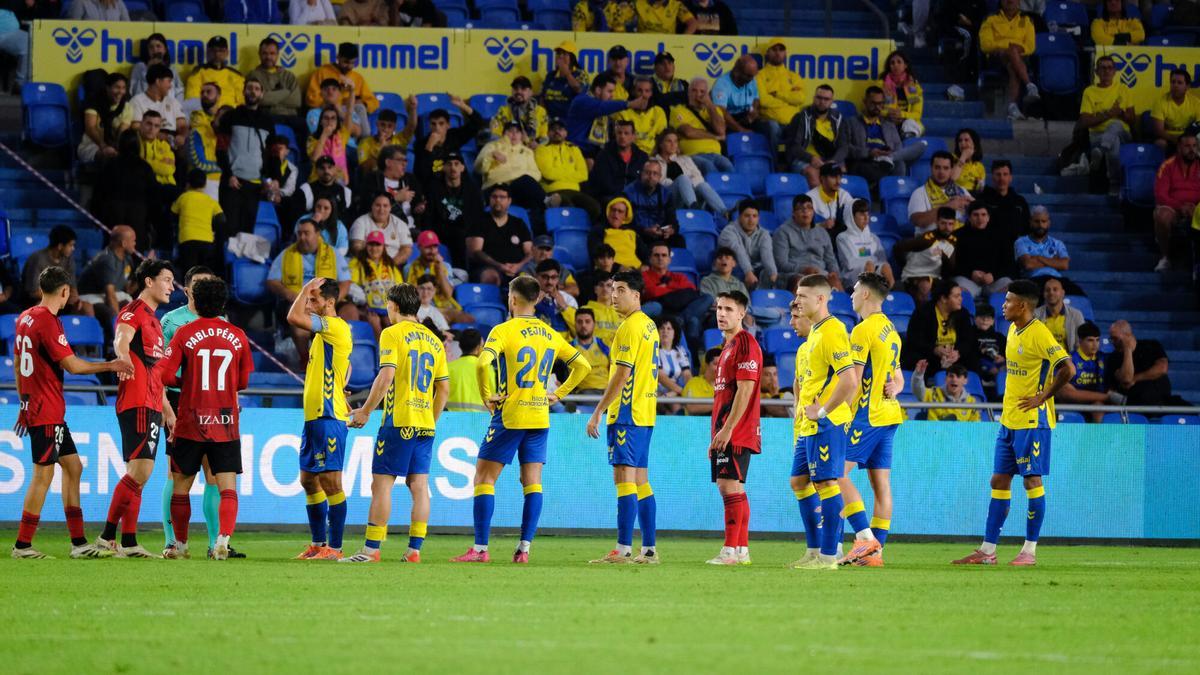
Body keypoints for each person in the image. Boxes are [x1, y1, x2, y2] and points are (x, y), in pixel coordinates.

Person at [452, 277, 591, 564]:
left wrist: (487, 395)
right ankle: (524, 549)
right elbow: (583, 365)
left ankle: (480, 549)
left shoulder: (503, 330)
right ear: (538, 299)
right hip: (539, 414)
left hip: (511, 413)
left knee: (484, 478)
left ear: (512, 300)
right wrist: (558, 394)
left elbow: (482, 362)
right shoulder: (549, 333)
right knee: (533, 483)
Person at [11, 266, 133, 559]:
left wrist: (24, 401)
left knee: (73, 467)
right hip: (47, 410)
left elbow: (18, 364)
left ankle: (78, 543)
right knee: (43, 474)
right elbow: (74, 366)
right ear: (64, 291)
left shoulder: (25, 317)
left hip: (39, 406)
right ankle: (23, 545)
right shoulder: (48, 322)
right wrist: (111, 365)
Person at [953, 280, 1073, 566]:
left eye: (1007, 301)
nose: (1002, 306)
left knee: (1032, 481)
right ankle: (987, 551)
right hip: (1009, 420)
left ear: (1022, 305)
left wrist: (1042, 396)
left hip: (1033, 421)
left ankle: (1028, 552)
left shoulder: (1040, 334)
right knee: (999, 479)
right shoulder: (1011, 330)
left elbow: (1068, 368)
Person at [342, 284, 449, 563]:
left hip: (399, 420)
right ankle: (414, 550)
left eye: (388, 305)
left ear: (394, 306)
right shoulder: (434, 340)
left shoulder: (392, 333)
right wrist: (430, 420)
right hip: (425, 424)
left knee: (382, 485)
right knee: (419, 486)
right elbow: (444, 390)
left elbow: (386, 376)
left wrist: (365, 410)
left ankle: (371, 550)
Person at [158, 277, 255, 561]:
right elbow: (243, 381)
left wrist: (186, 381)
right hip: (224, 422)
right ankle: (222, 540)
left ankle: (181, 545)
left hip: (190, 420)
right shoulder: (237, 335)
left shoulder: (185, 333)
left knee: (180, 486)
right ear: (223, 303)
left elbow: (164, 375)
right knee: (226, 486)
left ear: (195, 303)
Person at [583, 239, 662, 568]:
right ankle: (649, 550)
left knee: (624, 479)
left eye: (620, 290)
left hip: (627, 413)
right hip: (646, 414)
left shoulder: (629, 328)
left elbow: (621, 374)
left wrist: (598, 411)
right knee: (641, 480)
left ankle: (622, 548)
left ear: (636, 294)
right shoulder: (649, 325)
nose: (613, 295)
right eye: (612, 289)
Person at [93, 260, 174, 558]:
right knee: (141, 470)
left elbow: (156, 372)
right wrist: (123, 359)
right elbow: (121, 339)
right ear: (149, 282)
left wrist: (167, 411)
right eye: (166, 280)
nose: (171, 286)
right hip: (136, 400)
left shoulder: (155, 320)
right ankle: (106, 537)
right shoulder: (133, 311)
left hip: (152, 402)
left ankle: (128, 542)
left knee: (139, 473)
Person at [788, 275, 859, 570]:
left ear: (821, 299)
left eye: (803, 296)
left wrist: (824, 411)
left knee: (827, 482)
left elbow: (850, 381)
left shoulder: (832, 330)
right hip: (809, 425)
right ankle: (815, 550)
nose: (797, 301)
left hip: (827, 423)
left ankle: (829, 556)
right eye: (796, 295)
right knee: (799, 481)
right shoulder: (814, 334)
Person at [837, 272, 904, 567]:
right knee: (881, 484)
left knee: (834, 472)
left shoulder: (863, 331)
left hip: (868, 415)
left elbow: (854, 379)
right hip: (890, 413)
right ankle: (876, 554)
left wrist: (842, 415)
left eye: (854, 290)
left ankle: (865, 540)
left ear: (865, 294)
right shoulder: (891, 330)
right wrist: (895, 388)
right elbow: (898, 378)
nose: (850, 295)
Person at [283, 278, 352, 560]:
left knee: (331, 482)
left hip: (329, 415)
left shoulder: (334, 326)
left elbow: (292, 316)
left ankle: (334, 548)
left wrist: (303, 289)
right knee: (308, 480)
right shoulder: (324, 336)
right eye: (309, 300)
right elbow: (344, 370)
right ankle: (318, 543)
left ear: (330, 303)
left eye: (314, 300)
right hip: (314, 418)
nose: (309, 306)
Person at [704, 291, 762, 566]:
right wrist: (716, 434)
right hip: (726, 429)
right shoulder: (727, 347)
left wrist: (727, 430)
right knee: (734, 488)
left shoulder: (745, 344)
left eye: (728, 308)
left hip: (737, 430)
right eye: (719, 307)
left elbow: (746, 390)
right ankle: (741, 550)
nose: (722, 313)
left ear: (742, 314)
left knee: (729, 488)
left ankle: (729, 550)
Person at [266, 219, 352, 364]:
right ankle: (306, 359)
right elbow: (271, 280)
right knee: (299, 322)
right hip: (301, 302)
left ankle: (343, 358)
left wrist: (332, 302)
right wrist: (288, 294)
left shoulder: (333, 253)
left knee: (351, 312)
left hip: (328, 302)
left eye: (306, 233)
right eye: (299, 234)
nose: (302, 237)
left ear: (317, 234)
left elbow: (346, 282)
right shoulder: (287, 254)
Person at [218, 78, 273, 235]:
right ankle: (227, 260)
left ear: (261, 94)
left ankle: (241, 261)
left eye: (257, 88)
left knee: (248, 231)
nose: (253, 91)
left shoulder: (268, 121)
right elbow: (220, 150)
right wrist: (229, 175)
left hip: (255, 185)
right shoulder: (230, 117)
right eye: (249, 88)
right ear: (243, 92)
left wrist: (269, 178)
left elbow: (272, 153)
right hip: (233, 183)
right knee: (229, 229)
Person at [845, 86, 925, 186]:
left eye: (880, 104)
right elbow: (846, 148)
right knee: (897, 165)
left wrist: (890, 154)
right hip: (866, 160)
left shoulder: (888, 124)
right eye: (873, 103)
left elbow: (898, 145)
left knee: (921, 146)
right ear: (865, 102)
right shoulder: (851, 122)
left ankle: (889, 159)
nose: (877, 107)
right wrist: (870, 153)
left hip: (888, 159)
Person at [1080, 56, 1135, 196]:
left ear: (1115, 71)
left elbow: (1132, 119)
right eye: (1102, 68)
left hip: (1123, 134)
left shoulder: (1123, 89)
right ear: (1096, 71)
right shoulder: (1089, 92)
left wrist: (1120, 113)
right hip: (1097, 136)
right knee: (1113, 141)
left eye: (1110, 67)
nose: (1106, 71)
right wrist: (1109, 114)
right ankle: (1114, 185)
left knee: (1115, 125)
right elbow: (1085, 121)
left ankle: (1101, 150)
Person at [641, 243, 712, 351]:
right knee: (693, 320)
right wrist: (677, 289)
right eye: (656, 255)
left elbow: (691, 289)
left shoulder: (678, 276)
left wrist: (666, 286)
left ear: (669, 259)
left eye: (664, 255)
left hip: (681, 310)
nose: (660, 258)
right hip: (662, 312)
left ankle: (681, 321)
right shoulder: (645, 275)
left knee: (708, 298)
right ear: (650, 259)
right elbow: (652, 292)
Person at [979, 0, 1040, 121]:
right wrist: (1004, 48)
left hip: (1019, 56)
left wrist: (1016, 49)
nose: (1010, 1)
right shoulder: (991, 19)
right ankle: (1030, 85)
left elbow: (1030, 45)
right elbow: (985, 44)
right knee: (1012, 52)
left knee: (1012, 63)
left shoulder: (1026, 20)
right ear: (1001, 2)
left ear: (1019, 2)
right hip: (996, 57)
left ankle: (1012, 107)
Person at [901, 278, 976, 375]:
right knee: (916, 359)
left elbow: (969, 340)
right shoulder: (923, 312)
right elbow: (914, 340)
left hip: (954, 357)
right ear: (944, 298)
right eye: (956, 296)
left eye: (960, 295)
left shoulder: (963, 313)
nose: (961, 299)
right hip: (930, 356)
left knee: (973, 358)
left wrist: (958, 353)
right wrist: (934, 349)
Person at [422, 151, 484, 267]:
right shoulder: (434, 188)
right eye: (449, 164)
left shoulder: (472, 190)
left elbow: (478, 217)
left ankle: (461, 272)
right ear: (444, 168)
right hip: (440, 231)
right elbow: (428, 216)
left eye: (456, 164)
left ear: (463, 168)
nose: (453, 167)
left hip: (464, 233)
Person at [537, 119, 602, 223]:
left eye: (560, 129)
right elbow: (548, 174)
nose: (557, 132)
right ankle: (568, 235)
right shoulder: (542, 149)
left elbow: (583, 174)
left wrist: (559, 173)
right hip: (554, 191)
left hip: (575, 191)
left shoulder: (574, 148)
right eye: (553, 129)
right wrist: (571, 173)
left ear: (566, 133)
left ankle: (585, 235)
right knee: (568, 206)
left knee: (595, 208)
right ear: (548, 133)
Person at [466, 185, 533, 285]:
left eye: (502, 197)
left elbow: (530, 252)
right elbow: (476, 251)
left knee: (528, 280)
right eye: (494, 197)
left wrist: (518, 266)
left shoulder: (519, 223)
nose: (497, 200)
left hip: (517, 269)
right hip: (488, 267)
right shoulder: (479, 222)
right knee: (490, 277)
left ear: (509, 200)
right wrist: (499, 266)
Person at [784, 84, 849, 187]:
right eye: (819, 98)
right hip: (805, 159)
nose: (822, 102)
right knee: (813, 175)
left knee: (840, 175)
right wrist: (811, 158)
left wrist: (833, 161)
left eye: (826, 99)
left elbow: (844, 146)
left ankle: (836, 203)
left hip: (830, 158)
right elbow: (794, 147)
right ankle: (820, 203)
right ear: (814, 98)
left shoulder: (838, 119)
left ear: (831, 101)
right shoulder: (801, 117)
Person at [476, 121, 546, 216]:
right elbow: (478, 168)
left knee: (527, 185)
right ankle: (547, 200)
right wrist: (491, 156)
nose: (514, 134)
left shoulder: (527, 152)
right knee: (525, 181)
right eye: (510, 131)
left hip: (519, 189)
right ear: (503, 133)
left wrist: (518, 176)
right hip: (495, 187)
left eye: (517, 132)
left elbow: (537, 174)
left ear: (521, 135)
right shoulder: (492, 146)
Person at [1153, 132, 1200, 272]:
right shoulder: (1167, 165)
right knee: (1162, 215)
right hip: (1174, 208)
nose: (1192, 150)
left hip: (1197, 209)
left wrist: (1196, 208)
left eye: (1194, 146)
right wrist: (1181, 206)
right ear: (1179, 148)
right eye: (1187, 146)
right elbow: (1160, 194)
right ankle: (1165, 258)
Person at [78, 224, 137, 336]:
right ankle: (115, 344)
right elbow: (110, 296)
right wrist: (121, 326)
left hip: (107, 296)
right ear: (123, 243)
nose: (135, 244)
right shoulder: (107, 260)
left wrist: (146, 273)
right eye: (133, 240)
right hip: (91, 297)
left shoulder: (127, 259)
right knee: (109, 314)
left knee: (131, 308)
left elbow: (128, 290)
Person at [774, 194, 841, 291]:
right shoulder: (782, 232)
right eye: (801, 208)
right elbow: (781, 264)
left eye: (809, 208)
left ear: (813, 212)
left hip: (820, 273)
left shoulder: (822, 232)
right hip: (794, 274)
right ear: (793, 213)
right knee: (801, 282)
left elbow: (830, 260)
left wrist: (834, 272)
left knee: (835, 282)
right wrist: (803, 269)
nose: (805, 211)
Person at [713, 55, 778, 155]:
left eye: (753, 76)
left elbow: (756, 98)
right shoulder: (722, 83)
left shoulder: (751, 80)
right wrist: (741, 130)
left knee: (772, 126)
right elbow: (722, 112)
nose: (751, 79)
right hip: (729, 120)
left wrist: (754, 110)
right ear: (737, 71)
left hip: (747, 116)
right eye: (748, 76)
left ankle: (773, 162)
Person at [20, 225, 92, 316]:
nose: (73, 248)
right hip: (37, 301)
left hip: (61, 299)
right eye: (71, 245)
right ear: (60, 246)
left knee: (87, 308)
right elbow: (33, 292)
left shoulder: (69, 259)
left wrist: (75, 298)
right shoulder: (37, 259)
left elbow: (72, 286)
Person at [651, 128, 725, 214]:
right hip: (669, 199)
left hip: (691, 194)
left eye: (675, 141)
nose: (673, 144)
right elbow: (658, 183)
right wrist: (679, 183)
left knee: (703, 185)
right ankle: (694, 208)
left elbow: (698, 178)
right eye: (669, 141)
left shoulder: (685, 159)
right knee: (682, 179)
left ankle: (725, 212)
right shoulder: (653, 162)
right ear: (661, 144)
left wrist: (687, 186)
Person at [567, 73, 645, 153]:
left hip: (595, 150)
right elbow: (602, 107)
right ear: (598, 90)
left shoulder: (600, 101)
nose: (612, 96)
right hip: (578, 150)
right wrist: (628, 104)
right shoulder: (583, 101)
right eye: (609, 91)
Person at [671, 77, 734, 175]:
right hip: (693, 155)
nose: (698, 95)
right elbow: (688, 132)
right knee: (708, 166)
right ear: (688, 93)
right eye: (694, 91)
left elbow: (721, 131)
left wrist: (709, 105)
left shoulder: (714, 110)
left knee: (728, 166)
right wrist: (714, 136)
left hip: (715, 154)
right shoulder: (678, 110)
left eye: (702, 92)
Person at [1014, 206, 1082, 295]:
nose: (1040, 225)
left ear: (1048, 223)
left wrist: (1039, 258)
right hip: (1034, 280)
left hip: (1057, 280)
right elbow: (1028, 264)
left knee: (1079, 294)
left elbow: (1064, 265)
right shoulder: (1021, 242)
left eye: (1043, 221)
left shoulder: (1058, 243)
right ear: (1030, 222)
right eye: (1037, 221)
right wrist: (1054, 261)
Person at [897, 207, 958, 302]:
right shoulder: (927, 239)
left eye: (950, 224)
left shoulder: (953, 240)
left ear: (954, 224)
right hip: (914, 275)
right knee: (925, 286)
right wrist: (903, 265)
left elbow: (951, 266)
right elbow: (898, 247)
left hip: (935, 276)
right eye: (943, 223)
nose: (947, 227)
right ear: (937, 222)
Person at [1106, 320, 1172, 407]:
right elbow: (1126, 379)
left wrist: (1136, 378)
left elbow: (1162, 368)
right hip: (1135, 403)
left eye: (1115, 339)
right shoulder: (1113, 358)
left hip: (1163, 400)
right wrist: (1127, 350)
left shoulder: (1152, 346)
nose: (1113, 343)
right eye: (1111, 339)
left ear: (1128, 336)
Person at [414, 97, 484, 182]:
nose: (437, 128)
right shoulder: (422, 144)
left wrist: (463, 106)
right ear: (429, 126)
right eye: (433, 124)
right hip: (436, 185)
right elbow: (421, 174)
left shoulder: (454, 136)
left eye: (441, 124)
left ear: (448, 125)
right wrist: (429, 147)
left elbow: (478, 123)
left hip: (459, 182)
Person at [953, 201, 1012, 299]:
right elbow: (953, 265)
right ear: (969, 217)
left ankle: (1000, 314)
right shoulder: (957, 236)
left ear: (988, 217)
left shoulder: (1001, 236)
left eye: (983, 215)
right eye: (975, 215)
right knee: (956, 289)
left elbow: (1009, 263)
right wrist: (970, 273)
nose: (980, 218)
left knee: (1013, 289)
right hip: (968, 280)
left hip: (994, 281)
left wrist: (993, 275)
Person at [349, 231, 404, 333]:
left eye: (378, 244)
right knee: (376, 324)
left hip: (390, 308)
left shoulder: (390, 264)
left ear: (384, 246)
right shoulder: (356, 263)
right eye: (371, 244)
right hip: (368, 307)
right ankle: (380, 348)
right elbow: (351, 286)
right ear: (366, 245)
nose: (374, 248)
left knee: (391, 323)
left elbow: (400, 287)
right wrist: (363, 303)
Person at [172, 169, 226, 274]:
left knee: (189, 276)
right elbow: (222, 220)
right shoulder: (210, 200)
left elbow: (173, 214)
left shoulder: (183, 198)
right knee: (204, 276)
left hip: (187, 239)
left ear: (187, 183)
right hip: (207, 241)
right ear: (205, 184)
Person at [1059, 322, 1116, 420]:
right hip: (1074, 405)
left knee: (1098, 407)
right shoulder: (1069, 360)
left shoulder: (1105, 359)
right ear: (1080, 341)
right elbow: (1067, 393)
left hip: (1098, 404)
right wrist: (1107, 397)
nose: (1095, 345)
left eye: (1097, 340)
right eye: (1090, 340)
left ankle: (1099, 434)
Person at [305, 42, 377, 116]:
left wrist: (363, 103)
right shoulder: (322, 73)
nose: (349, 66)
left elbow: (373, 102)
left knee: (360, 108)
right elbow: (311, 99)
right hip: (327, 112)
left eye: (353, 63)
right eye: (346, 62)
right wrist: (335, 102)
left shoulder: (357, 78)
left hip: (349, 114)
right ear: (338, 57)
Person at [719, 201, 777, 290]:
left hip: (755, 270)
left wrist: (773, 275)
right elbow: (738, 251)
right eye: (747, 216)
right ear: (739, 217)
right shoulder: (728, 232)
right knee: (744, 275)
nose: (751, 220)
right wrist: (748, 272)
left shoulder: (764, 234)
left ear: (758, 218)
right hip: (734, 270)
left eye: (754, 216)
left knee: (769, 274)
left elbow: (767, 256)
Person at [909, 151, 973, 232]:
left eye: (946, 168)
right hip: (931, 242)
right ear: (931, 168)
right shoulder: (919, 193)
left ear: (951, 170)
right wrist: (948, 206)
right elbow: (918, 221)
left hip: (960, 240)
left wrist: (974, 205)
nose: (941, 172)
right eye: (937, 167)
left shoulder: (962, 191)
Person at [838, 199, 894, 288]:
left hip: (873, 269)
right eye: (861, 214)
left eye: (867, 214)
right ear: (851, 216)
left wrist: (873, 265)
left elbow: (882, 260)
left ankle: (890, 294)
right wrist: (869, 262)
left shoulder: (874, 237)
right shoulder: (843, 237)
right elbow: (849, 263)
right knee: (869, 266)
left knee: (886, 267)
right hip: (852, 274)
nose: (866, 217)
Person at [589, 120, 648, 203]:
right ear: (615, 135)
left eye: (626, 133)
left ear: (633, 136)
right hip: (610, 198)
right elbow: (604, 184)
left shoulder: (642, 157)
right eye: (619, 133)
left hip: (635, 199)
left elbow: (643, 182)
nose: (622, 136)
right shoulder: (604, 155)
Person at [130, 63, 187, 150]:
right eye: (169, 81)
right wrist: (162, 136)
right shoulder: (137, 101)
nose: (171, 86)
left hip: (173, 145)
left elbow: (182, 126)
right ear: (158, 81)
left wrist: (182, 136)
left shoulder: (173, 101)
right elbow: (136, 127)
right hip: (148, 145)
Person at [354, 145, 415, 224]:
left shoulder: (410, 180)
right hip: (383, 227)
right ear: (388, 162)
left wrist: (418, 208)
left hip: (411, 228)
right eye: (400, 160)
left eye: (405, 161)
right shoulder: (373, 180)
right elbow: (368, 207)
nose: (404, 164)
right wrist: (395, 199)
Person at [78, 72, 132, 163]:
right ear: (107, 88)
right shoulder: (94, 102)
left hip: (115, 146)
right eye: (117, 87)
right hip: (92, 145)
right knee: (108, 156)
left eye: (123, 88)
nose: (120, 92)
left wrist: (117, 148)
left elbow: (122, 131)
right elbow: (90, 128)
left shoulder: (127, 106)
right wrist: (103, 146)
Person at [624, 160, 679, 247]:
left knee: (679, 240)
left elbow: (673, 221)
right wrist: (645, 230)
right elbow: (625, 222)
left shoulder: (666, 194)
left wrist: (671, 229)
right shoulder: (628, 192)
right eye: (647, 172)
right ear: (641, 173)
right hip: (637, 234)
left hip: (659, 234)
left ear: (660, 177)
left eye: (655, 173)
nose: (651, 176)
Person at [756, 39, 804, 136]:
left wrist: (777, 94)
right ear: (767, 53)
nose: (778, 53)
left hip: (792, 122)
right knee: (773, 127)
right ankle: (776, 152)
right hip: (771, 121)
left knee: (802, 126)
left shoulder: (794, 76)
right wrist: (789, 101)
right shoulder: (759, 76)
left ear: (785, 53)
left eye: (781, 50)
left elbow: (800, 98)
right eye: (774, 49)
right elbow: (764, 101)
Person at [977, 159, 1031, 245]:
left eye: (1005, 174)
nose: (1001, 178)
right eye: (998, 174)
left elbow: (1027, 229)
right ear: (992, 177)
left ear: (1010, 178)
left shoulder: (1020, 202)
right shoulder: (982, 201)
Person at [349, 192, 412, 263]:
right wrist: (373, 265)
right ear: (372, 206)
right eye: (378, 205)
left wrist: (390, 265)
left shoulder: (400, 224)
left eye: (385, 206)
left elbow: (406, 249)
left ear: (390, 208)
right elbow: (357, 247)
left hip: (393, 265)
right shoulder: (360, 222)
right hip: (366, 264)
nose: (381, 209)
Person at [358, 99, 418, 173]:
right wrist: (380, 150)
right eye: (382, 125)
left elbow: (412, 127)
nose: (385, 129)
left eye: (390, 126)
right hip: (374, 180)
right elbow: (364, 168)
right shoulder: (366, 143)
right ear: (377, 124)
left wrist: (413, 109)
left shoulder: (399, 140)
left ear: (394, 127)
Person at [185, 36, 244, 111]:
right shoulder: (197, 73)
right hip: (205, 119)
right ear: (207, 52)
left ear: (227, 53)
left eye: (221, 50)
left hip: (231, 118)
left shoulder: (236, 76)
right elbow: (192, 103)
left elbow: (242, 104)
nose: (217, 54)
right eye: (213, 50)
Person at [912, 362, 982, 422]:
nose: (954, 379)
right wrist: (918, 375)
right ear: (946, 379)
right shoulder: (934, 393)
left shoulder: (971, 402)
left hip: (960, 436)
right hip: (935, 434)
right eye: (951, 376)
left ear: (965, 381)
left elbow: (975, 425)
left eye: (958, 376)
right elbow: (918, 391)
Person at [614, 77, 668, 156]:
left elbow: (662, 138)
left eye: (647, 91)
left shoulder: (658, 112)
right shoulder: (623, 112)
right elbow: (621, 140)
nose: (643, 94)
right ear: (633, 92)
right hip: (630, 156)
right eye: (640, 90)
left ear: (651, 93)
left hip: (653, 156)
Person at [491, 76, 549, 147]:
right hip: (509, 148)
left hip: (534, 149)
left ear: (530, 92)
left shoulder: (540, 111)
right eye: (516, 89)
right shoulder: (503, 111)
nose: (519, 91)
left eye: (523, 89)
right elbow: (495, 135)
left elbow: (545, 137)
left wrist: (537, 143)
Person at [541, 41, 590, 122]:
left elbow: (579, 89)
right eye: (558, 54)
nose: (560, 56)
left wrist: (567, 73)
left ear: (572, 58)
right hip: (551, 121)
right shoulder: (550, 76)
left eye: (565, 54)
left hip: (570, 121)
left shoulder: (580, 74)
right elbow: (543, 97)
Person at [1150, 70, 1200, 151]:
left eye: (1179, 83)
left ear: (1187, 87)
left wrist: (1187, 140)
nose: (1175, 85)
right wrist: (1177, 140)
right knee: (1160, 143)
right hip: (1168, 139)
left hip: (1189, 140)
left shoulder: (1196, 103)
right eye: (1173, 82)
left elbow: (1198, 126)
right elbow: (1158, 131)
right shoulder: (1160, 102)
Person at [880, 50, 924, 138]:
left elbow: (917, 114)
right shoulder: (883, 86)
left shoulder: (913, 88)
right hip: (889, 120)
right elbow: (878, 109)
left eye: (899, 62)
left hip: (908, 122)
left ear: (905, 65)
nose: (895, 65)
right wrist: (888, 114)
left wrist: (902, 115)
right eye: (892, 63)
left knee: (910, 124)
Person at [128, 33, 183, 105]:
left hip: (168, 108)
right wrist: (149, 69)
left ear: (165, 49)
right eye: (151, 47)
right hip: (144, 107)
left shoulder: (172, 69)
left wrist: (177, 108)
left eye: (158, 46)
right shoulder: (140, 67)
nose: (155, 50)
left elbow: (179, 91)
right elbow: (132, 91)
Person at [1033, 277, 1085, 352]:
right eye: (1048, 290)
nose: (1051, 293)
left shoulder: (1076, 315)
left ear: (1062, 293)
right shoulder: (1034, 315)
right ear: (1044, 294)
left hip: (1068, 360)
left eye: (1055, 289)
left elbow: (1080, 344)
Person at [806, 162, 856, 237]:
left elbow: (856, 218)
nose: (838, 181)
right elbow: (801, 230)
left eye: (840, 177)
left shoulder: (844, 195)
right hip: (817, 240)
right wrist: (821, 225)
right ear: (822, 178)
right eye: (833, 177)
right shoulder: (809, 198)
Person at [570, 308, 612, 395]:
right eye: (579, 322)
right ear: (575, 324)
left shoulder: (605, 345)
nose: (583, 325)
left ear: (594, 324)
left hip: (607, 391)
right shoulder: (569, 348)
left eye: (587, 321)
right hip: (582, 393)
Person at [532, 259, 578, 336]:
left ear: (558, 279)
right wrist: (531, 304)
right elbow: (514, 325)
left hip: (561, 345)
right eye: (545, 277)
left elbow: (580, 332)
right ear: (536, 277)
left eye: (553, 277)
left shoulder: (568, 299)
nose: (549, 281)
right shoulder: (525, 298)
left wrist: (565, 308)